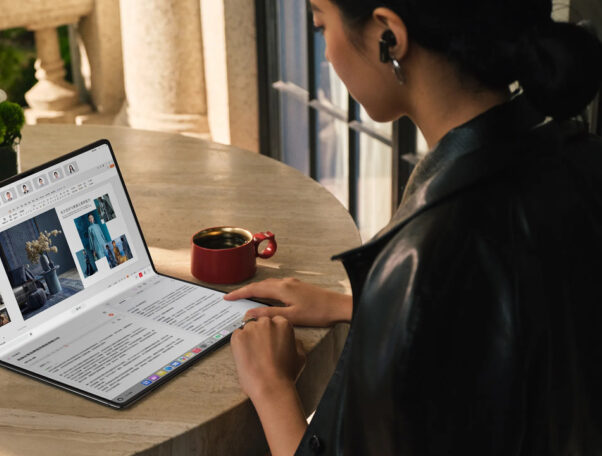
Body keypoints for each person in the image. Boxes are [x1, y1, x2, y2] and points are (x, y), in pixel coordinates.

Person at [225, 1, 602, 455]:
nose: (325, 54)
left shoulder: (424, 262)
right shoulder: (578, 157)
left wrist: (272, 388)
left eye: (321, 24)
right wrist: (358, 306)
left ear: (389, 36)